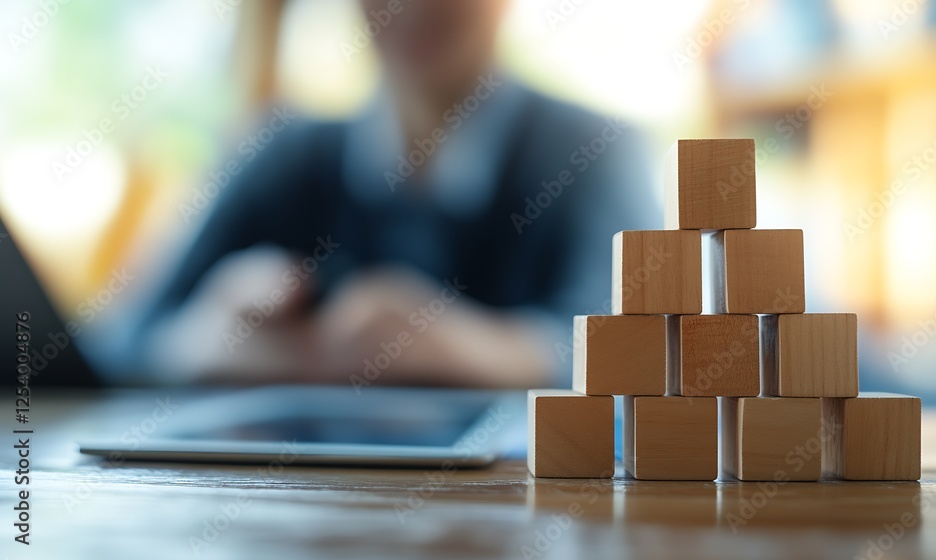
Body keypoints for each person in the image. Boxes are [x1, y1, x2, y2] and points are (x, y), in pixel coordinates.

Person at [109, 0, 659, 388]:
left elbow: (653, 351)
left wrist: (466, 348)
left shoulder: (596, 154)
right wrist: (198, 338)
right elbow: (120, 338)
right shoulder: (283, 155)